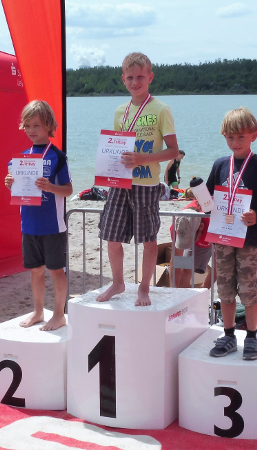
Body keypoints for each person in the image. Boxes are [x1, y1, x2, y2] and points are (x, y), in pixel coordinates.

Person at [97, 52, 179, 306]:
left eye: (140, 77)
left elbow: (173, 151)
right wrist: (108, 170)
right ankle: (118, 282)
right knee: (111, 236)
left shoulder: (161, 109)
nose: (135, 82)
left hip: (146, 184)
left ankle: (144, 287)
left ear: (150, 77)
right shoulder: (120, 111)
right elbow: (116, 147)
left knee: (148, 239)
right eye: (130, 77)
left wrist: (143, 159)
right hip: (120, 184)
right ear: (123, 79)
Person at [205, 107, 257, 360]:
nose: (236, 142)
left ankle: (252, 337)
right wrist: (200, 199)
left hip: (249, 240)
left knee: (249, 289)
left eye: (241, 136)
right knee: (225, 289)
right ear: (224, 137)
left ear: (254, 135)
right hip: (222, 237)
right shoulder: (220, 164)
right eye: (230, 137)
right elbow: (208, 199)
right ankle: (229, 335)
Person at [4, 100, 73, 330]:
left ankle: (59, 315)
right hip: (29, 225)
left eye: (37, 125)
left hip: (53, 226)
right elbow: (19, 191)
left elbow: (68, 190)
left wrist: (50, 187)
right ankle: (38, 311)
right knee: (35, 271)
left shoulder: (58, 157)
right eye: (27, 126)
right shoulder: (19, 159)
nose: (31, 130)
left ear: (49, 126)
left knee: (56, 271)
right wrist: (10, 183)